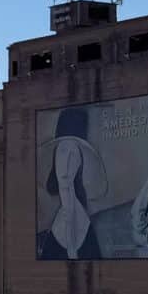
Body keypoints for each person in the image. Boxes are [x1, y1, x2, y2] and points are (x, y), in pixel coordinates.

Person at [36, 106, 109, 259]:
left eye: (73, 153)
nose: (67, 162)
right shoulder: (60, 223)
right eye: (63, 152)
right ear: (55, 157)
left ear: (80, 162)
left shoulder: (82, 222)